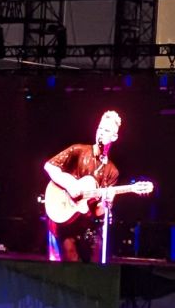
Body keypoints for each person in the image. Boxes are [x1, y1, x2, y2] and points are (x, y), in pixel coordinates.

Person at [41, 111, 123, 263]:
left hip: (88, 225)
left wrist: (105, 202)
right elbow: (49, 166)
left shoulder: (112, 171)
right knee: (70, 263)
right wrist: (70, 184)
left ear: (114, 136)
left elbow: (99, 211)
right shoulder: (78, 151)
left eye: (106, 131)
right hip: (65, 218)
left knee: (92, 266)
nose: (101, 133)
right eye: (100, 129)